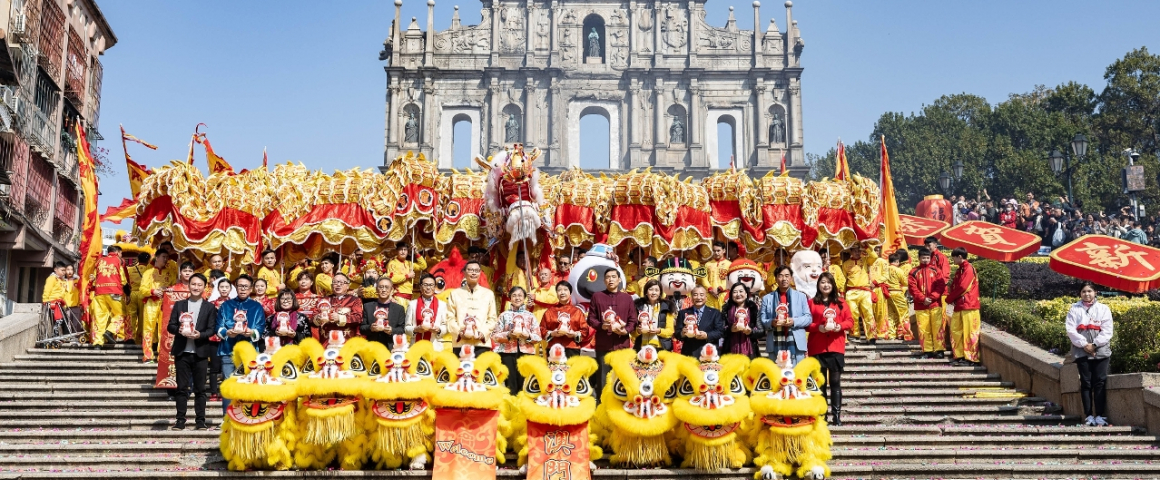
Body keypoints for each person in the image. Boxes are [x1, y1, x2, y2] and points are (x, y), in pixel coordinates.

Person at [166, 273, 217, 431]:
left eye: (199, 285)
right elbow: (170, 326)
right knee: (181, 388)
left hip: (200, 352)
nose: (196, 287)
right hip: (182, 352)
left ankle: (200, 421)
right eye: (193, 284)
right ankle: (180, 420)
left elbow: (211, 329)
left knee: (200, 389)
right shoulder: (180, 305)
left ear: (204, 287)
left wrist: (200, 335)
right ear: (189, 286)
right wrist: (180, 330)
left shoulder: (209, 307)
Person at [807, 272, 853, 426]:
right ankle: (822, 415)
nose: (825, 285)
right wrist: (818, 327)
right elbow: (806, 323)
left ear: (833, 285)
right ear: (818, 285)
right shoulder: (811, 303)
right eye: (822, 282)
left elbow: (850, 321)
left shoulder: (841, 303)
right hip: (817, 347)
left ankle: (837, 415)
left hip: (835, 346)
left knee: (835, 382)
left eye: (828, 282)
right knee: (820, 383)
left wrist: (840, 326)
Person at [1065, 283, 1114, 427]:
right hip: (1081, 351)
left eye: (1089, 291)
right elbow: (1070, 330)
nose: (1087, 294)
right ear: (1080, 293)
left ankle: (1100, 415)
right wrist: (1084, 344)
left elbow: (1107, 330)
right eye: (1084, 291)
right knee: (1086, 383)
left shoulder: (1103, 309)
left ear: (1095, 292)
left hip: (1101, 351)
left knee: (1099, 382)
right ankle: (1088, 416)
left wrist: (1095, 345)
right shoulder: (1074, 309)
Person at [215, 275, 266, 410]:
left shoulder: (256, 306)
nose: (243, 289)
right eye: (240, 286)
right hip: (228, 351)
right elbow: (218, 327)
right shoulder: (226, 305)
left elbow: (261, 327)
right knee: (228, 385)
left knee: (249, 384)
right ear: (235, 288)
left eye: (246, 287)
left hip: (249, 352)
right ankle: (227, 419)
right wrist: (227, 332)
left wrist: (252, 332)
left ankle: (245, 416)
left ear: (251, 289)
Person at [586, 268, 637, 396]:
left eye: (614, 277)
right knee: (603, 377)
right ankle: (602, 406)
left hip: (622, 345)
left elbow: (633, 320)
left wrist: (626, 331)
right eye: (608, 277)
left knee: (622, 377)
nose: (611, 280)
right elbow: (591, 318)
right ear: (604, 280)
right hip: (604, 344)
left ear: (619, 280)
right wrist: (601, 325)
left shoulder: (627, 298)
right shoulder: (597, 297)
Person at [491, 286, 541, 394]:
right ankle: (511, 408)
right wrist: (508, 335)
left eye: (520, 295)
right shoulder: (504, 316)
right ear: (509, 298)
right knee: (510, 384)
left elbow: (538, 337)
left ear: (524, 298)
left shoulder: (530, 316)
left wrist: (527, 336)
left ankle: (523, 408)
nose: (517, 298)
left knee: (525, 382)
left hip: (526, 352)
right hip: (507, 353)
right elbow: (494, 336)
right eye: (514, 295)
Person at [760, 266, 812, 364]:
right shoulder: (767, 298)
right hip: (775, 341)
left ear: (791, 278)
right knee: (776, 376)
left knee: (796, 376)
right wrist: (771, 322)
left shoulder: (801, 296)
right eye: (780, 276)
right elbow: (762, 319)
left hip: (796, 342)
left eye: (787, 276)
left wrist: (794, 321)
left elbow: (808, 318)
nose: (784, 279)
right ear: (776, 279)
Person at [447, 260, 498, 353]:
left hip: (481, 344)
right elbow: (449, 317)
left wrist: (483, 333)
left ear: (480, 273)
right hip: (460, 343)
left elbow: (492, 318)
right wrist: (459, 332)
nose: (474, 273)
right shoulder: (455, 293)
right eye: (470, 270)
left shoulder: (488, 294)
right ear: (464, 272)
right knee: (459, 368)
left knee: (480, 368)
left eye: (476, 270)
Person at [945, 248, 981, 366]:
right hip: (961, 304)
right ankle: (959, 355)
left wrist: (949, 298)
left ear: (960, 256)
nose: (953, 260)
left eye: (954, 257)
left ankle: (971, 358)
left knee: (970, 332)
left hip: (969, 305)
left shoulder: (968, 269)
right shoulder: (961, 269)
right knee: (956, 330)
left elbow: (963, 287)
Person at [140, 251, 176, 362]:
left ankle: (163, 355)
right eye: (163, 257)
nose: (166, 259)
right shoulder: (148, 272)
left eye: (167, 257)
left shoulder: (171, 273)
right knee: (148, 328)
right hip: (151, 302)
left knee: (164, 329)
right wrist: (153, 291)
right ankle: (147, 354)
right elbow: (142, 290)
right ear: (157, 257)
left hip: (165, 303)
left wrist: (169, 289)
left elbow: (174, 287)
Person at [90, 245, 129, 347]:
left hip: (99, 292)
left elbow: (94, 279)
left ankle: (98, 343)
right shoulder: (119, 260)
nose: (121, 255)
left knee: (100, 318)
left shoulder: (99, 261)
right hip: (114, 291)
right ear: (117, 252)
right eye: (121, 253)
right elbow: (123, 279)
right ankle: (110, 331)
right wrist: (128, 294)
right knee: (120, 314)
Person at [541, 281, 592, 357]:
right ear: (556, 293)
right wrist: (552, 333)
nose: (562, 292)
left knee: (572, 369)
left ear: (570, 293)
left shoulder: (577, 312)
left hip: (572, 348)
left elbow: (585, 330)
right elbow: (541, 329)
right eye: (559, 290)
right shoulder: (549, 312)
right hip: (554, 348)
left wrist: (574, 334)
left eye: (565, 290)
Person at [842, 245, 878, 343]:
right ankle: (854, 334)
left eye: (858, 251)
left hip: (865, 291)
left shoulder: (866, 260)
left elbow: (874, 256)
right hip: (851, 292)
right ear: (851, 252)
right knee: (852, 313)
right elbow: (843, 279)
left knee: (868, 313)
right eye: (855, 251)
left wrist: (867, 246)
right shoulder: (846, 264)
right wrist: (841, 292)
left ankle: (871, 336)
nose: (857, 253)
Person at [675, 286, 725, 356]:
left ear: (706, 297)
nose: (698, 298)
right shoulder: (683, 313)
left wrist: (707, 335)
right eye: (695, 295)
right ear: (691, 297)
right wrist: (682, 333)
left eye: (701, 295)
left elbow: (720, 332)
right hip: (689, 353)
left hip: (709, 354)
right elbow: (677, 334)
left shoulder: (715, 313)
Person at [315, 273, 363, 345]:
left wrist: (340, 318)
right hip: (326, 341)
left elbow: (358, 318)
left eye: (341, 282)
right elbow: (313, 317)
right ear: (331, 286)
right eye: (335, 282)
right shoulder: (323, 300)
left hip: (347, 341)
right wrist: (318, 318)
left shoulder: (354, 300)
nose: (338, 284)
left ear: (347, 286)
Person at [406, 273, 451, 350]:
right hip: (415, 347)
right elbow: (406, 327)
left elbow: (445, 326)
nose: (428, 288)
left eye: (431, 285)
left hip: (435, 347)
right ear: (420, 287)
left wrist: (438, 330)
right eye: (425, 285)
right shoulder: (412, 304)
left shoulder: (442, 305)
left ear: (434, 287)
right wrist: (416, 329)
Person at [632, 279, 674, 351]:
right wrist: (638, 331)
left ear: (660, 292)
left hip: (661, 348)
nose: (653, 293)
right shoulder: (638, 306)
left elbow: (670, 331)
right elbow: (632, 332)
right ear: (646, 292)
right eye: (650, 289)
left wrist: (659, 331)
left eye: (656, 290)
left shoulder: (667, 306)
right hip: (641, 348)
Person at [361, 277, 407, 345]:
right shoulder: (368, 307)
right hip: (372, 345)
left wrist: (392, 330)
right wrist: (371, 328)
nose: (384, 290)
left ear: (392, 290)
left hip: (391, 345)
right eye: (381, 287)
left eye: (387, 287)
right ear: (376, 289)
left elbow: (402, 329)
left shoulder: (399, 309)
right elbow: (362, 328)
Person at [723, 283, 763, 358]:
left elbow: (761, 331)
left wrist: (751, 331)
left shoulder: (753, 309)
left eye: (741, 291)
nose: (738, 294)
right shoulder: (726, 309)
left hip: (751, 350)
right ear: (731, 295)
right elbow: (720, 330)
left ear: (746, 294)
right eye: (735, 292)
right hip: (729, 350)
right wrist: (730, 329)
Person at [883, 252, 912, 341]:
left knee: (890, 315)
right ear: (897, 261)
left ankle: (891, 335)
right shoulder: (898, 270)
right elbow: (905, 282)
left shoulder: (885, 269)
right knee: (903, 314)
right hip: (897, 292)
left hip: (887, 294)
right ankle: (907, 335)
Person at [702, 241, 730, 309]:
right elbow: (704, 279)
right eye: (714, 251)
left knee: (723, 317)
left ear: (724, 250)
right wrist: (710, 289)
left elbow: (730, 279)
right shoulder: (707, 264)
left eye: (718, 251)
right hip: (710, 295)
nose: (716, 253)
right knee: (710, 316)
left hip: (723, 295)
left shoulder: (729, 264)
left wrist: (719, 289)